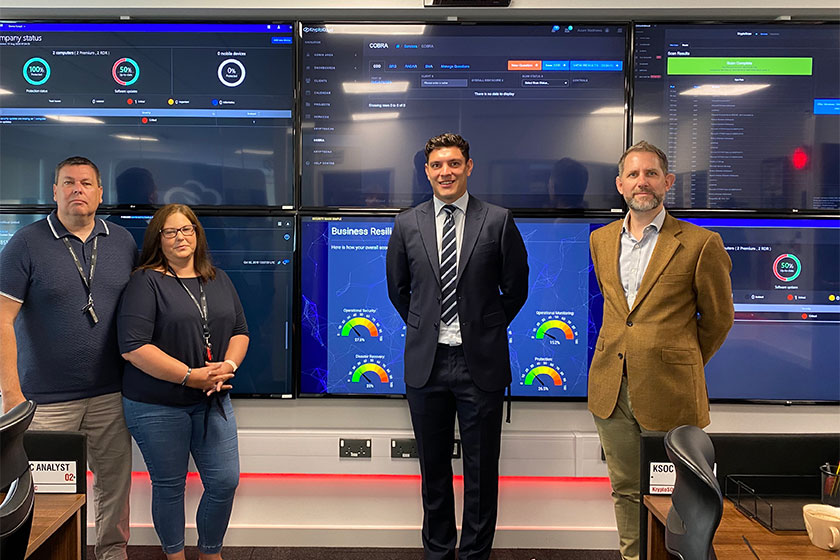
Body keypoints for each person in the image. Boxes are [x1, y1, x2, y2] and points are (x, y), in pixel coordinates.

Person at [588, 141, 735, 560]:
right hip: (610, 388)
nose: (642, 182)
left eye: (651, 173)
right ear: (620, 185)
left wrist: (679, 360)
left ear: (667, 182)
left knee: (679, 498)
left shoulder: (700, 243)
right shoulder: (600, 240)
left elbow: (719, 318)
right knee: (626, 489)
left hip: (670, 389)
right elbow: (620, 313)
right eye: (633, 175)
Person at [386, 133, 529, 560]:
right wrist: (429, 326)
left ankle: (473, 556)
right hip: (426, 365)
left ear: (469, 166)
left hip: (479, 363)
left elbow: (516, 288)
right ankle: (438, 552)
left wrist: (485, 328)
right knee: (433, 469)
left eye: (453, 163)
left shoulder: (498, 220)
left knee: (482, 473)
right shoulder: (407, 223)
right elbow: (400, 290)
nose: (444, 172)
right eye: (436, 165)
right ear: (426, 171)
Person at [0, 156, 135, 560]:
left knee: (115, 487)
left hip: (111, 395)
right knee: (41, 495)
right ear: (54, 191)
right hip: (43, 400)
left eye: (87, 183)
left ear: (99, 193)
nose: (78, 189)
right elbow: (1, 320)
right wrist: (12, 396)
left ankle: (112, 554)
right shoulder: (26, 242)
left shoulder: (123, 241)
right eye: (69, 182)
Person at [118, 203, 248, 560]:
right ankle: (174, 556)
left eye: (187, 229)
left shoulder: (217, 278)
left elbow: (240, 331)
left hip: (213, 399)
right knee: (169, 487)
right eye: (171, 231)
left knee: (224, 482)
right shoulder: (145, 281)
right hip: (156, 404)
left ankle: (210, 553)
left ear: (197, 234)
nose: (180, 237)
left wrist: (228, 366)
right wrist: (190, 376)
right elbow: (133, 347)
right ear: (158, 238)